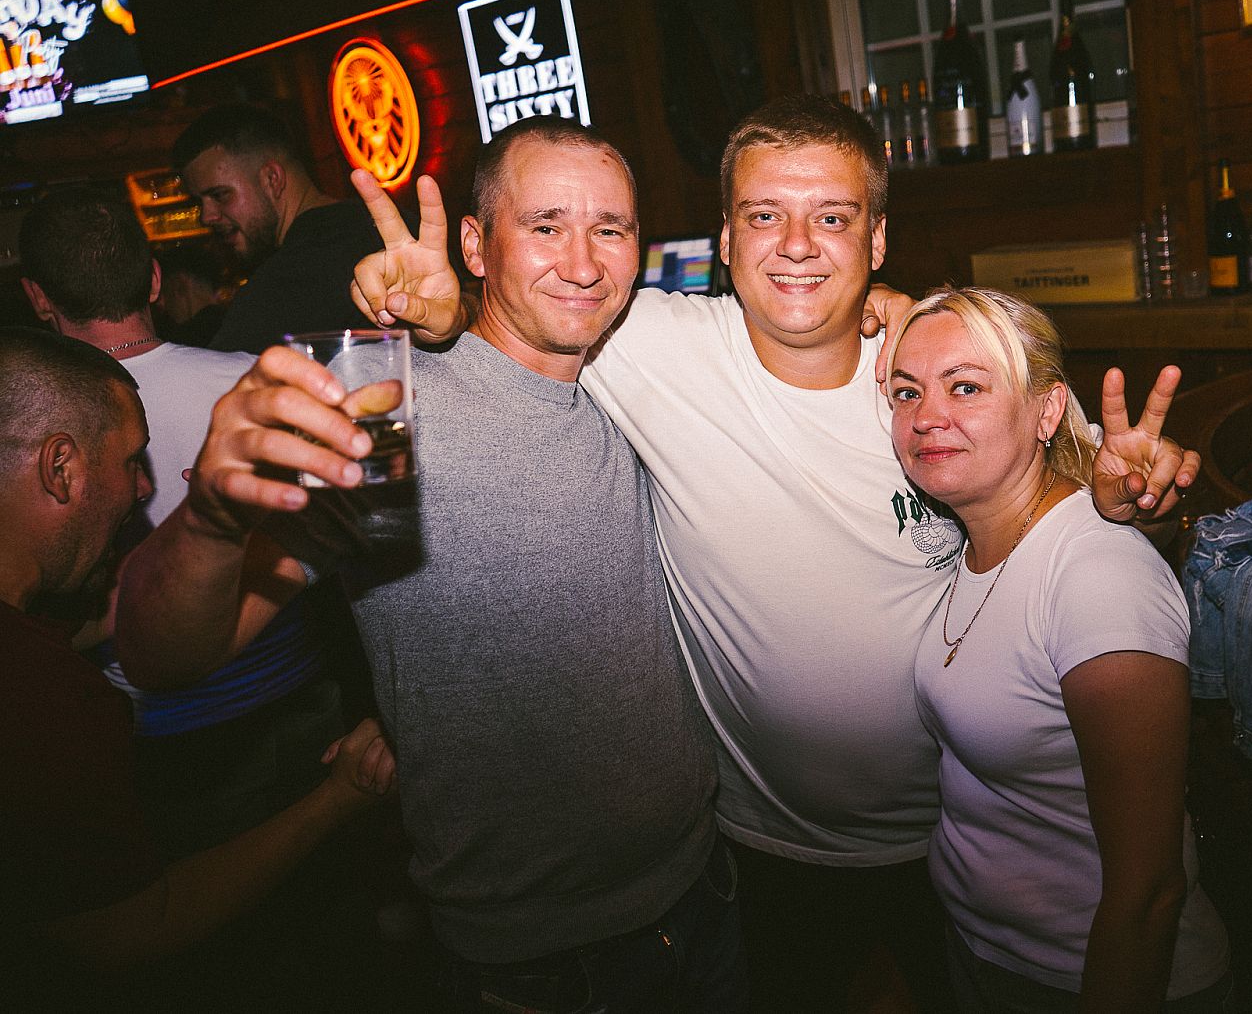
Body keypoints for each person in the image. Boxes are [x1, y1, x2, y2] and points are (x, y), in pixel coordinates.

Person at [351, 95, 1199, 1011]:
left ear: (877, 240)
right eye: (764, 216)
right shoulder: (640, 340)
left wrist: (1144, 509)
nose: (797, 245)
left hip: (959, 840)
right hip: (756, 852)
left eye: (832, 218)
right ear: (725, 239)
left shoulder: (937, 378)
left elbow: (1088, 524)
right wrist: (439, 317)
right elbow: (530, 316)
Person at [117, 117, 744, 1013]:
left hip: (704, 889)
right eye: (546, 225)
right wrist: (212, 524)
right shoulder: (390, 416)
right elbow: (163, 654)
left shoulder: (636, 384)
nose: (583, 262)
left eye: (610, 228)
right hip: (537, 963)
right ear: (476, 247)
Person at [0, 327, 393, 1007]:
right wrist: (339, 797)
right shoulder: (41, 695)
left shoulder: (34, 620)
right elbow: (125, 930)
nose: (143, 488)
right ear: (60, 467)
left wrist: (228, 534)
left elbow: (114, 609)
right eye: (131, 461)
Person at [884, 287, 1231, 1012]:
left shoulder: (1096, 574)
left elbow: (1148, 894)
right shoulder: (969, 543)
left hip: (1083, 979)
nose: (926, 416)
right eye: (907, 391)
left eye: (966, 387)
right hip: (983, 953)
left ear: (1046, 412)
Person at [19, 188, 345, 857]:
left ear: (38, 297)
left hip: (163, 739)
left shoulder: (31, 431)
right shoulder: (260, 383)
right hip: (301, 703)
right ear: (154, 279)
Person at [173, 103, 382, 352]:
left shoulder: (289, 279)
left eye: (219, 195)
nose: (206, 216)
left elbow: (221, 371)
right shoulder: (375, 224)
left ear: (272, 179)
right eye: (199, 202)